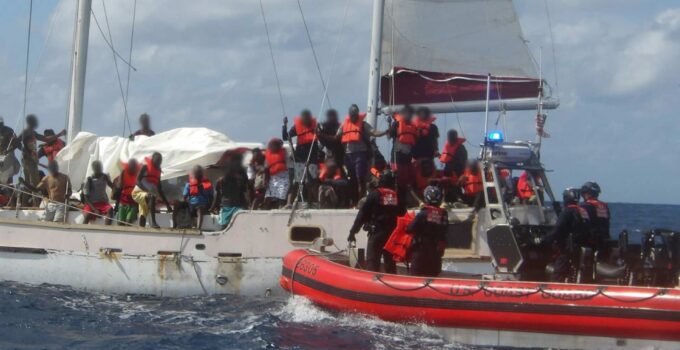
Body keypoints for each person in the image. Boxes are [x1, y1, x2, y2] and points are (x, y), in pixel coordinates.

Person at [327, 104, 387, 205]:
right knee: (352, 180)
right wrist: (322, 135)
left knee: (361, 179)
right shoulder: (344, 125)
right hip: (349, 156)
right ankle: (353, 201)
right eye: (352, 115)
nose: (353, 117)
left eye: (355, 115)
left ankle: (360, 202)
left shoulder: (363, 125)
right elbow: (336, 137)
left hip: (361, 156)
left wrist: (385, 132)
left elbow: (374, 132)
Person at [348, 171, 405, 273]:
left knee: (372, 262)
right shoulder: (398, 197)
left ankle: (371, 285)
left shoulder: (374, 195)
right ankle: (390, 283)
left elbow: (362, 215)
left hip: (377, 233)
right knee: (390, 264)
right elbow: (403, 216)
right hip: (392, 235)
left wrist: (353, 232)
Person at [539, 188, 591, 281]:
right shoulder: (582, 211)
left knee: (557, 274)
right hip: (579, 247)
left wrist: (543, 240)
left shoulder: (568, 211)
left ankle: (554, 290)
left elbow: (557, 230)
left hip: (567, 250)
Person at [406, 186, 449, 277]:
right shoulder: (444, 215)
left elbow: (410, 229)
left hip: (420, 253)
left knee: (415, 278)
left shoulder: (422, 214)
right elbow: (444, 229)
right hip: (435, 255)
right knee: (433, 277)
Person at [283, 109, 320, 204]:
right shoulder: (296, 127)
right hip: (300, 159)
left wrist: (319, 132)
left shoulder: (316, 126)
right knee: (297, 182)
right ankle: (289, 204)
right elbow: (285, 137)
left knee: (311, 182)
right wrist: (284, 125)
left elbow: (322, 137)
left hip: (312, 159)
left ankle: (314, 203)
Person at [18, 115, 66, 189]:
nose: (50, 140)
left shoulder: (62, 143)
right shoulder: (44, 148)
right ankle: (32, 195)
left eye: (51, 138)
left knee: (34, 181)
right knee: (34, 180)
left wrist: (59, 134)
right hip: (33, 163)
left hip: (63, 169)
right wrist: (27, 154)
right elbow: (17, 143)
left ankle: (33, 193)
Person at [132, 152, 172, 228]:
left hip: (147, 196)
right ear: (153, 160)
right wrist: (146, 190)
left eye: (160, 161)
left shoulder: (158, 171)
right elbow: (137, 181)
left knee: (143, 214)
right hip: (137, 192)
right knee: (152, 196)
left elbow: (160, 190)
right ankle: (153, 222)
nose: (158, 162)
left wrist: (167, 205)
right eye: (157, 160)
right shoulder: (145, 167)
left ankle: (141, 231)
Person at [389, 105, 418, 202]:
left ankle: (404, 201)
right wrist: (390, 125)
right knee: (396, 179)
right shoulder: (396, 124)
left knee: (405, 181)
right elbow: (389, 136)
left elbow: (415, 142)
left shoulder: (414, 127)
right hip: (397, 155)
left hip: (407, 156)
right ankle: (395, 201)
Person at [211, 160, 249, 228]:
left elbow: (217, 196)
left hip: (235, 207)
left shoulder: (238, 180)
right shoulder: (221, 181)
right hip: (229, 207)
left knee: (225, 227)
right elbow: (217, 195)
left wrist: (213, 207)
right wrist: (213, 207)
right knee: (226, 227)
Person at [580, 181, 611, 255]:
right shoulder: (604, 206)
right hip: (603, 240)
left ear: (586, 193)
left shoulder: (584, 206)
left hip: (589, 242)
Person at [82, 160, 115, 225]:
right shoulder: (89, 180)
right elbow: (86, 197)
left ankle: (106, 229)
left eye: (101, 168)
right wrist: (94, 209)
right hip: (91, 204)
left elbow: (113, 187)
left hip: (103, 203)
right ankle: (82, 230)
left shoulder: (105, 177)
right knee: (87, 215)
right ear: (94, 169)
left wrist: (109, 180)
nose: (100, 170)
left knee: (110, 210)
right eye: (98, 168)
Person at [182, 165, 214, 230]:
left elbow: (211, 197)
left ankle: (198, 228)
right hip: (191, 206)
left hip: (202, 207)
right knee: (184, 207)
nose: (198, 177)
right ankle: (189, 224)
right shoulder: (188, 184)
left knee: (199, 210)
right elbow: (184, 197)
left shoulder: (208, 185)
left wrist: (211, 208)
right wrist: (186, 204)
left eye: (199, 175)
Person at [263, 138, 289, 209]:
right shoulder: (267, 155)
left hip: (283, 177)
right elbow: (266, 169)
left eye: (277, 145)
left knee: (281, 197)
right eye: (273, 145)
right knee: (268, 197)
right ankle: (266, 211)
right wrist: (265, 180)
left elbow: (289, 163)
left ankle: (281, 209)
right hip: (273, 178)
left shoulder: (284, 152)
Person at [114, 158, 139, 225]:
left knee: (128, 222)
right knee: (120, 223)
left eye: (134, 166)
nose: (133, 168)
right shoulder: (124, 172)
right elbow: (119, 186)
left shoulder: (138, 174)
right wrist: (122, 174)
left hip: (133, 203)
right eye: (131, 166)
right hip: (123, 201)